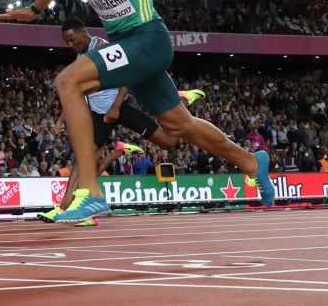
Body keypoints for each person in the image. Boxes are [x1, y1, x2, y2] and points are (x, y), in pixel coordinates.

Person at [0, 0, 277, 223]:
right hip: (125, 47)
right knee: (180, 124)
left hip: (149, 39)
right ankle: (251, 161)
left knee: (68, 81)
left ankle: (91, 192)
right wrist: (36, 7)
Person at [37, 18, 206, 226]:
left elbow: (128, 75)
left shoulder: (102, 48)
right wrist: (63, 118)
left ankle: (180, 99)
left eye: (72, 40)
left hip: (122, 106)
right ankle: (66, 208)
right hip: (99, 114)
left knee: (168, 142)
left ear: (84, 32)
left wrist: (116, 107)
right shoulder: (81, 56)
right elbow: (76, 91)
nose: (70, 45)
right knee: (83, 160)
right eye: (67, 42)